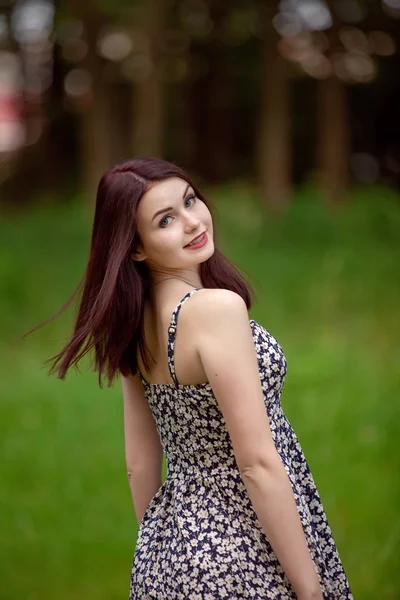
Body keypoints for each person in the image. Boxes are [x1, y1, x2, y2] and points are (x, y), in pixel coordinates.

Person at [33, 158, 353, 599]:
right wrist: (310, 590)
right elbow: (257, 463)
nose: (192, 221)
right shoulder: (214, 311)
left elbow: (139, 463)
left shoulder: (132, 323)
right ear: (137, 248)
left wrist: (161, 552)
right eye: (166, 220)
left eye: (189, 201)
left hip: (171, 555)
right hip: (243, 553)